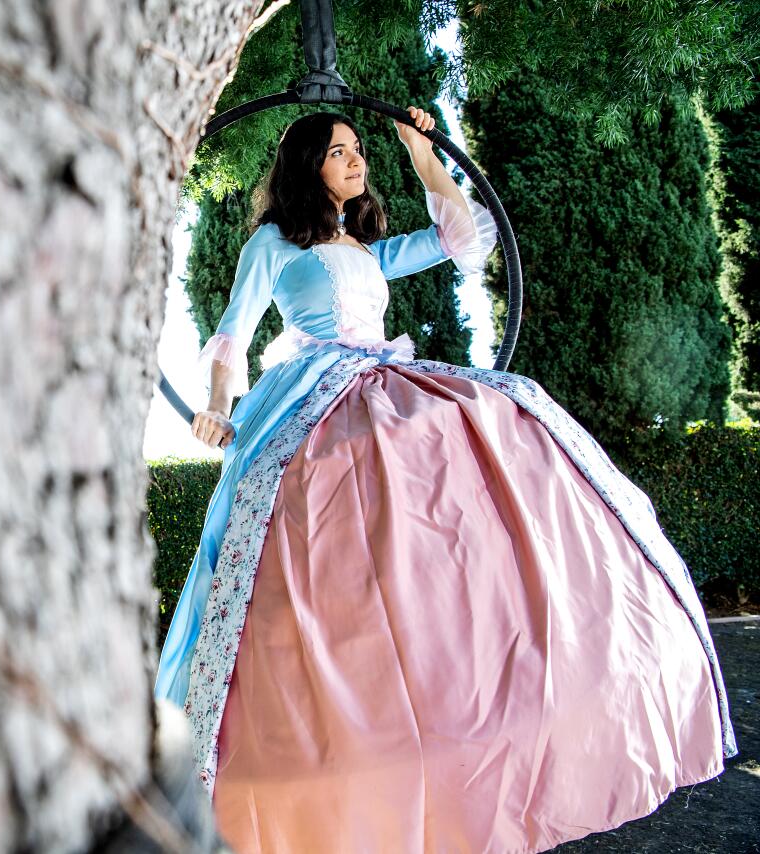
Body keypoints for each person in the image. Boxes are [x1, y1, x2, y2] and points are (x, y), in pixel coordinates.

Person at [153, 108, 737, 853]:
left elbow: (466, 241)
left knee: (490, 419)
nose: (354, 162)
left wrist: (423, 156)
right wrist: (213, 407)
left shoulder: (364, 248)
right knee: (321, 520)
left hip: (381, 374)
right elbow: (233, 332)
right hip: (315, 390)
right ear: (308, 167)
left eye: (358, 150)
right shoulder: (275, 243)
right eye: (339, 153)